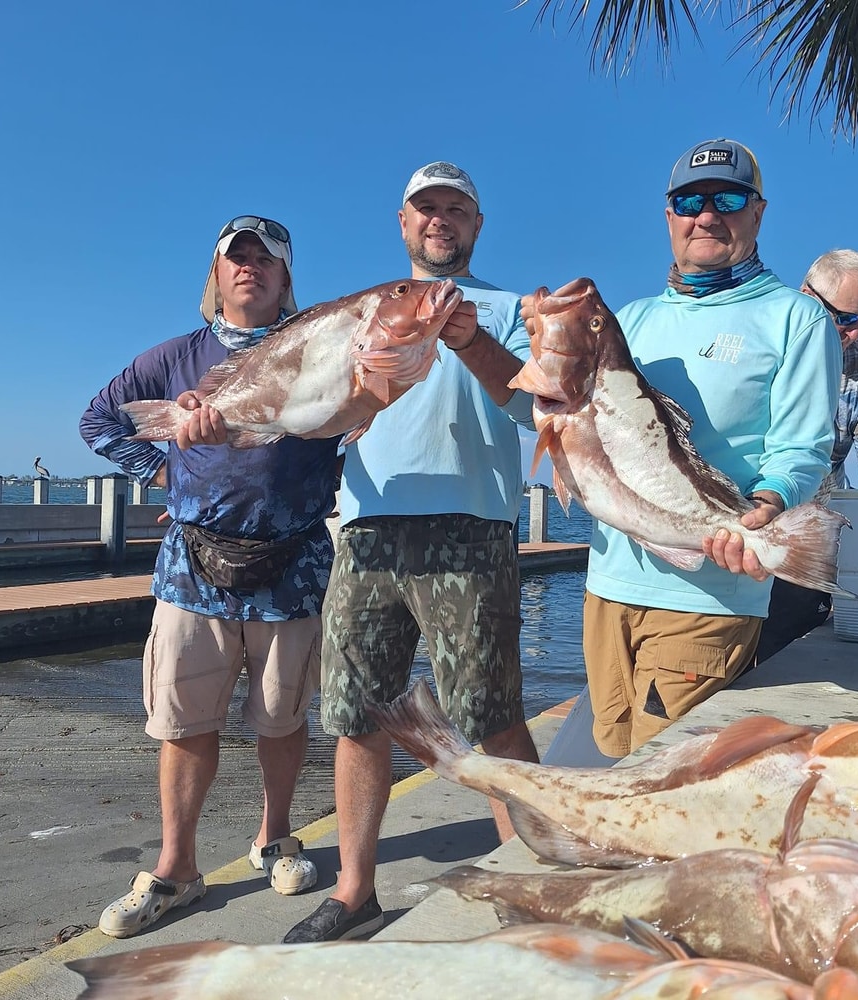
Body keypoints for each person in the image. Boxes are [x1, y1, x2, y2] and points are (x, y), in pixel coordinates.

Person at [282, 160, 542, 943]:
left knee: (492, 717)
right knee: (356, 714)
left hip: (472, 530)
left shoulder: (511, 309)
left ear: (477, 225)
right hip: (367, 529)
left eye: (455, 209)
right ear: (403, 223)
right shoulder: (363, 313)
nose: (440, 220)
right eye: (425, 208)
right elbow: (316, 411)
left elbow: (536, 409)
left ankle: (532, 891)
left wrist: (473, 341)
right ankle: (355, 889)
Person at [79, 216, 340, 937]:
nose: (250, 267)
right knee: (185, 722)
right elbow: (100, 423)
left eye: (266, 259)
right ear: (217, 276)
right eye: (237, 257)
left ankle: (275, 838)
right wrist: (165, 469)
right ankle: (176, 868)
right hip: (192, 567)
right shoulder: (173, 357)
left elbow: (355, 426)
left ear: (286, 279)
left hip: (293, 564)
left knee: (283, 717)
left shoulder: (319, 348)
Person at [578, 138, 843, 760]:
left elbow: (802, 446)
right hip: (608, 584)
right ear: (668, 215)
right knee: (614, 755)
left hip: (709, 596)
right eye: (688, 202)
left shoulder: (795, 319)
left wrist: (767, 507)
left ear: (758, 213)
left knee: (666, 774)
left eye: (727, 199)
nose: (706, 215)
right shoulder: (631, 318)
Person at [755, 249, 858, 665]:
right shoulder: (756, 338)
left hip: (802, 539)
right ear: (806, 295)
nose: (854, 332)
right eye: (845, 317)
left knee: (793, 629)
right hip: (733, 518)